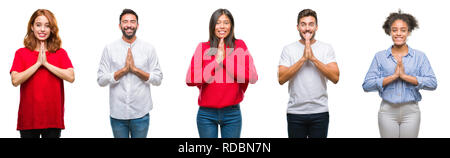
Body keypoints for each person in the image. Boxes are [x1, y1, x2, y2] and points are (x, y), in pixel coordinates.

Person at [362, 10, 437, 138]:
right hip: (387, 112)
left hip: (411, 111)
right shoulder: (380, 57)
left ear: (408, 32)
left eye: (403, 30)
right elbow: (366, 85)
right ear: (389, 32)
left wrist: (405, 77)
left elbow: (432, 83)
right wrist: (394, 76)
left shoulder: (419, 56)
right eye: (394, 30)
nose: (398, 34)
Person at [186, 8, 258, 138]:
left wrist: (225, 60)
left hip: (232, 114)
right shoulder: (203, 47)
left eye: (226, 22)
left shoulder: (239, 46)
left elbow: (252, 77)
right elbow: (190, 79)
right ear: (212, 26)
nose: (222, 26)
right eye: (218, 22)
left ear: (231, 25)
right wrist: (215, 62)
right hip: (206, 114)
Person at [97, 9, 163, 138]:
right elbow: (100, 80)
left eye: (132, 22)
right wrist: (123, 71)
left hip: (141, 114)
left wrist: (136, 70)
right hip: (117, 114)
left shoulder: (148, 48)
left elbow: (158, 79)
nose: (129, 25)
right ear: (120, 25)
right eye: (125, 22)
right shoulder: (109, 48)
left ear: (137, 25)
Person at [10, 9, 75, 138]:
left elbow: (71, 77)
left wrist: (46, 63)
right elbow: (15, 80)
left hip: (53, 120)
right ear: (32, 27)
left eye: (47, 25)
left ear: (52, 29)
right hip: (28, 120)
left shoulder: (60, 53)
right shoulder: (21, 53)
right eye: (38, 25)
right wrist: (37, 64)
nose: (42, 29)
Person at [278, 9, 340, 138]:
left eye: (311, 24)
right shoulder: (288, 49)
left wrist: (313, 59)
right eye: (303, 24)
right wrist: (302, 59)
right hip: (295, 113)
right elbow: (281, 79)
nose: (307, 28)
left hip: (320, 112)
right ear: (297, 27)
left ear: (316, 27)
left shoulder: (326, 48)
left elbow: (335, 77)